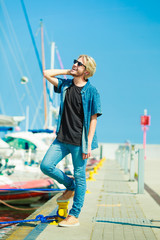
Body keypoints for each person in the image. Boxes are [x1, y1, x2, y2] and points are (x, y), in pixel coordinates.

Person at [40, 54, 102, 227]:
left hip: (79, 141)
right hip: (61, 138)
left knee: (80, 176)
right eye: (75, 61)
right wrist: (69, 71)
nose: (74, 64)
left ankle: (74, 215)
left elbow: (94, 118)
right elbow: (46, 73)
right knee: (46, 166)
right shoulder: (66, 85)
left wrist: (88, 143)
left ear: (86, 71)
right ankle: (70, 185)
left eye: (79, 64)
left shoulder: (92, 92)